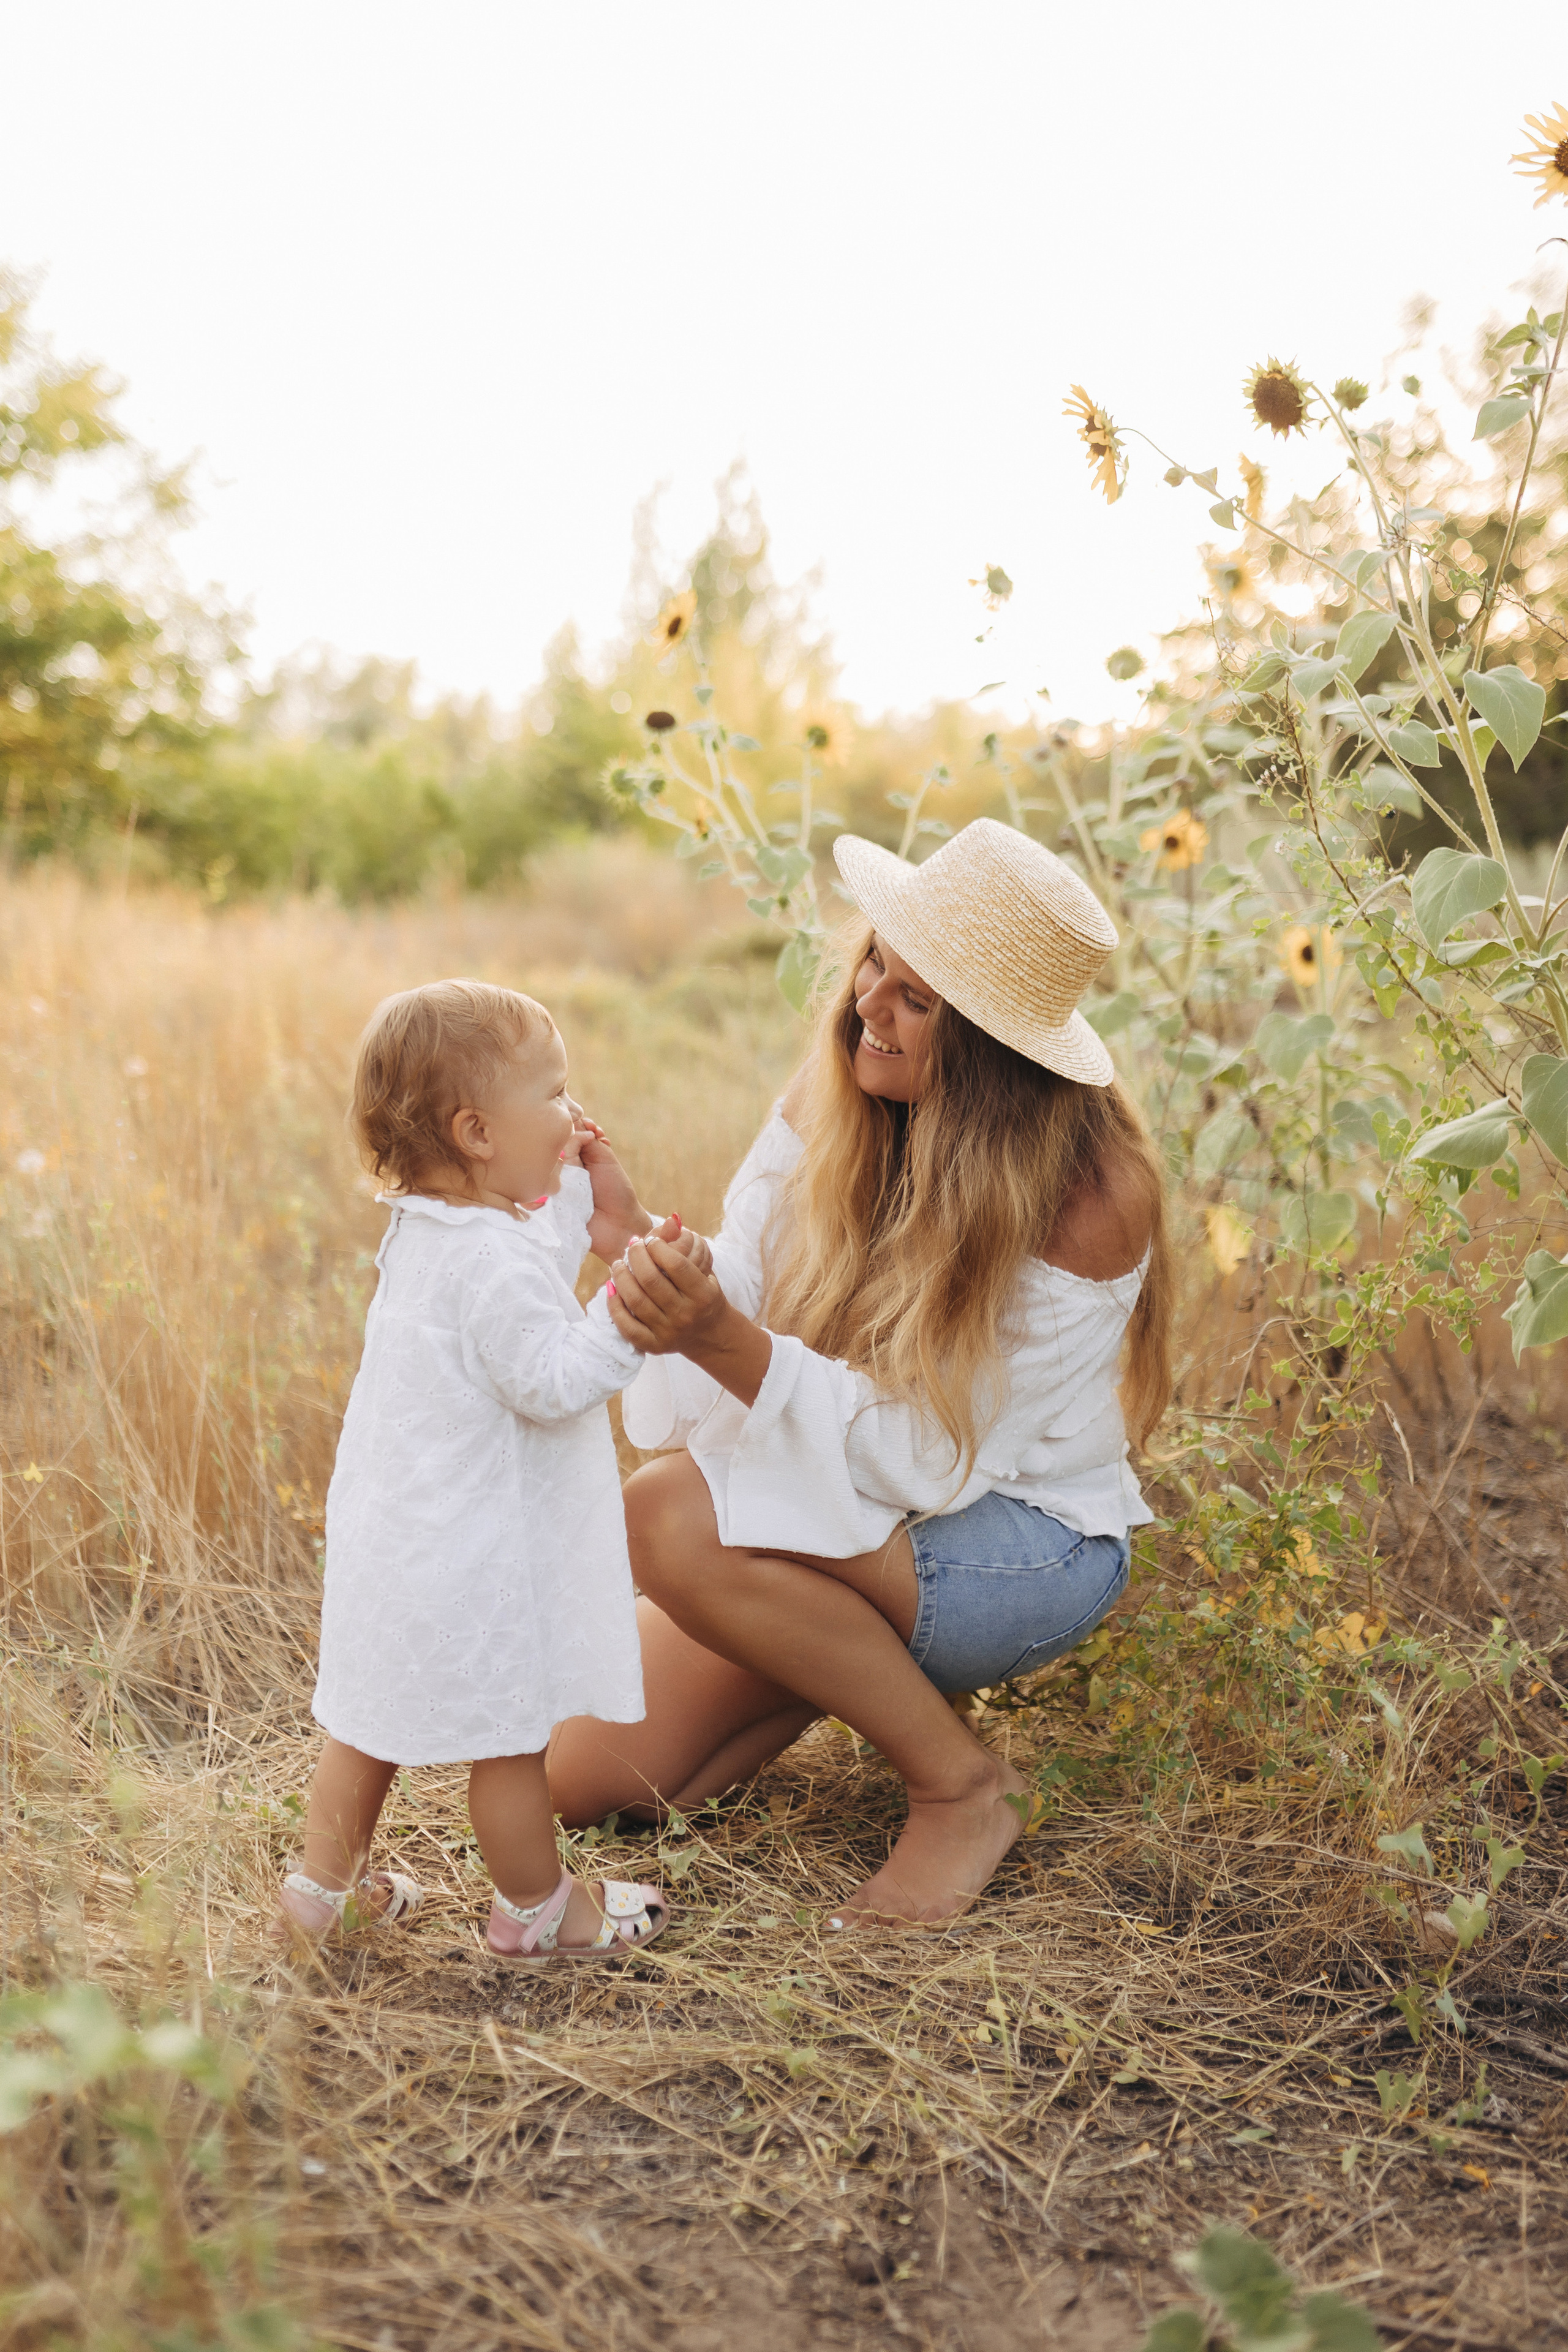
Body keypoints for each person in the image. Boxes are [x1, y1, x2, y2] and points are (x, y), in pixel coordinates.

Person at [550, 819, 1172, 1930]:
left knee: (672, 1518)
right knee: (583, 1778)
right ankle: (826, 1647)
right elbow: (749, 1264)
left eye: (916, 998)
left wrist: (716, 1340)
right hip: (853, 1501)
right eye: (877, 959)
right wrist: (639, 1242)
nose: (868, 1002)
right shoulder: (852, 1073)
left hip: (1014, 1539)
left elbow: (933, 1458)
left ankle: (964, 1789)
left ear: (993, 1050)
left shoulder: (1091, 1197)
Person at [274, 978, 690, 1963]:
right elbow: (549, 1377)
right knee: (510, 1740)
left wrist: (585, 1192)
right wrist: (626, 1306)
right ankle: (539, 1911)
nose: (574, 1112)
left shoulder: (434, 1232)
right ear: (476, 1131)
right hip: (472, 1556)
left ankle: (319, 1896)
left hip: (397, 1536)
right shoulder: (491, 1265)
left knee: (365, 1726)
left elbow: (526, 1248)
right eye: (553, 1092)